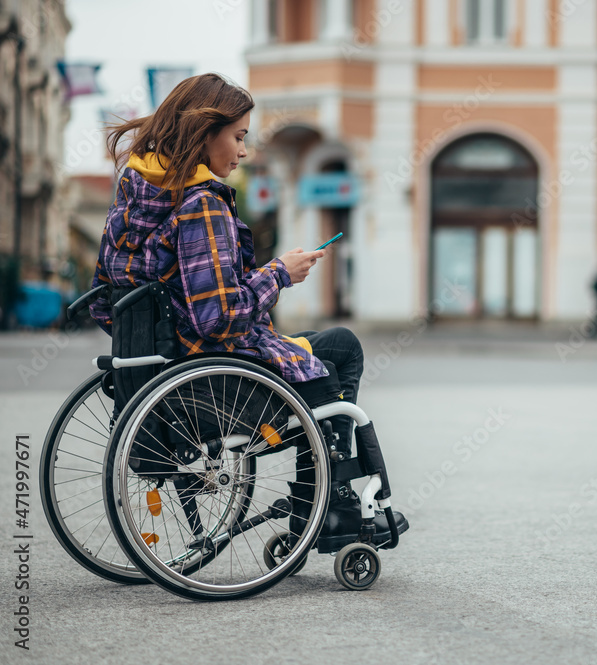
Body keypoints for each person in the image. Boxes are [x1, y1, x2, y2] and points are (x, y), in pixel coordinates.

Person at [89, 73, 406, 549]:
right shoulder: (202, 205)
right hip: (213, 383)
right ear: (203, 132)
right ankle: (329, 506)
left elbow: (103, 302)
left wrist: (163, 335)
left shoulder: (136, 197)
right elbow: (217, 317)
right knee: (342, 349)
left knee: (330, 348)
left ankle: (324, 503)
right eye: (237, 137)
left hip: (157, 378)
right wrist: (278, 273)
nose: (242, 152)